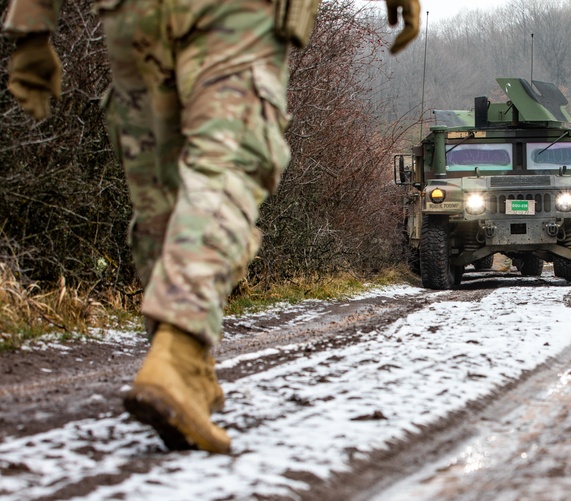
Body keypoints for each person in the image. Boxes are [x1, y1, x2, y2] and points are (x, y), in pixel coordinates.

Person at [4, 0, 420, 453]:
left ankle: (191, 373)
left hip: (133, 21)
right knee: (223, 177)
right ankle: (177, 359)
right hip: (232, 18)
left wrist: (31, 31)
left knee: (163, 203)